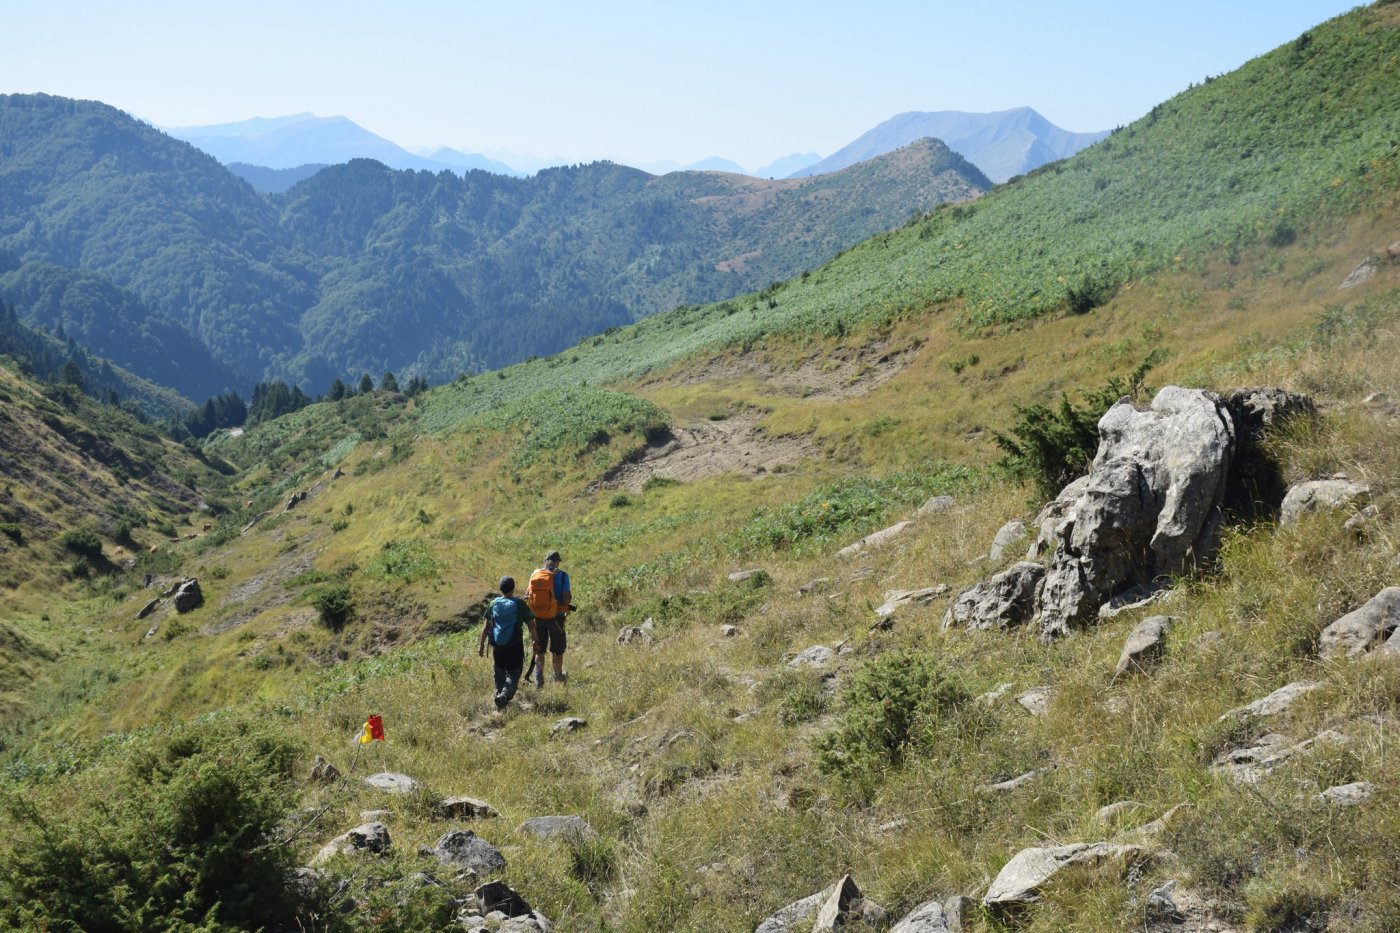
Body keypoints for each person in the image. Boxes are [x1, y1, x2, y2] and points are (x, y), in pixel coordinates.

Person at [477, 576, 537, 711]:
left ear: (500, 589)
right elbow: (531, 624)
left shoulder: (493, 604)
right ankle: (504, 694)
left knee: (499, 671)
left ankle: (499, 698)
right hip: (514, 645)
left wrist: (481, 645)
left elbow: (486, 627)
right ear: (513, 588)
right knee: (514, 673)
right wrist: (536, 641)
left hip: (498, 646)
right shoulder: (519, 604)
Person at [527, 550, 572, 687]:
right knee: (557, 650)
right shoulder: (563, 576)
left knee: (539, 650)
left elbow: (527, 595)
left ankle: (539, 680)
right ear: (557, 562)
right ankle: (558, 676)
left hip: (538, 617)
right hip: (556, 618)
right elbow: (566, 598)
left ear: (545, 560)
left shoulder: (535, 574)